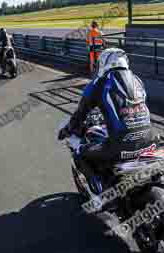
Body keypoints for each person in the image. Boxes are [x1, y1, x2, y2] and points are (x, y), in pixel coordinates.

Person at [57, 48, 154, 196]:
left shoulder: (99, 83)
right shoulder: (138, 81)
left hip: (120, 145)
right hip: (149, 140)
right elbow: (132, 109)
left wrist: (67, 130)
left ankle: (99, 197)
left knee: (79, 152)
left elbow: (80, 114)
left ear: (104, 63)